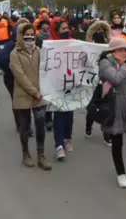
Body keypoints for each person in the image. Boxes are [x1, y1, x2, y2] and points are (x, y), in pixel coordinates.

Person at [99, 37, 126, 188]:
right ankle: (121, 173)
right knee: (117, 141)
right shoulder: (106, 63)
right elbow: (116, 79)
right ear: (113, 51)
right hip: (115, 106)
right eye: (122, 50)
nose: (125, 52)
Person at [9, 23, 52, 170]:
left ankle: (41, 155)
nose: (29, 38)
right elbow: (20, 77)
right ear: (20, 36)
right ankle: (25, 153)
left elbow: (47, 68)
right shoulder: (15, 54)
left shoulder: (39, 51)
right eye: (26, 35)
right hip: (24, 95)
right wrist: (34, 92)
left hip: (39, 96)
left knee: (40, 125)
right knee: (25, 126)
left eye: (32, 35)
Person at [0, 18, 31, 133]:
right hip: (12, 79)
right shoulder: (9, 46)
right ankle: (20, 124)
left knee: (27, 101)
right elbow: (3, 61)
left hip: (28, 79)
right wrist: (16, 72)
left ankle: (27, 125)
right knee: (17, 101)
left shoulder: (32, 45)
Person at [84, 19, 114, 146]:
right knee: (93, 106)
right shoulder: (90, 46)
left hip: (107, 80)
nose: (100, 32)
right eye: (98, 30)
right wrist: (97, 25)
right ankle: (88, 126)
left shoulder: (110, 45)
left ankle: (107, 134)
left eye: (102, 30)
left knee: (108, 108)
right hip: (94, 81)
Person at [50, 17, 75, 161]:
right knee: (59, 114)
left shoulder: (74, 44)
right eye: (63, 29)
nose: (66, 31)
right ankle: (59, 145)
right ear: (56, 31)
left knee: (69, 113)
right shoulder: (50, 45)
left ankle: (67, 138)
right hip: (57, 85)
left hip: (71, 84)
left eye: (67, 28)